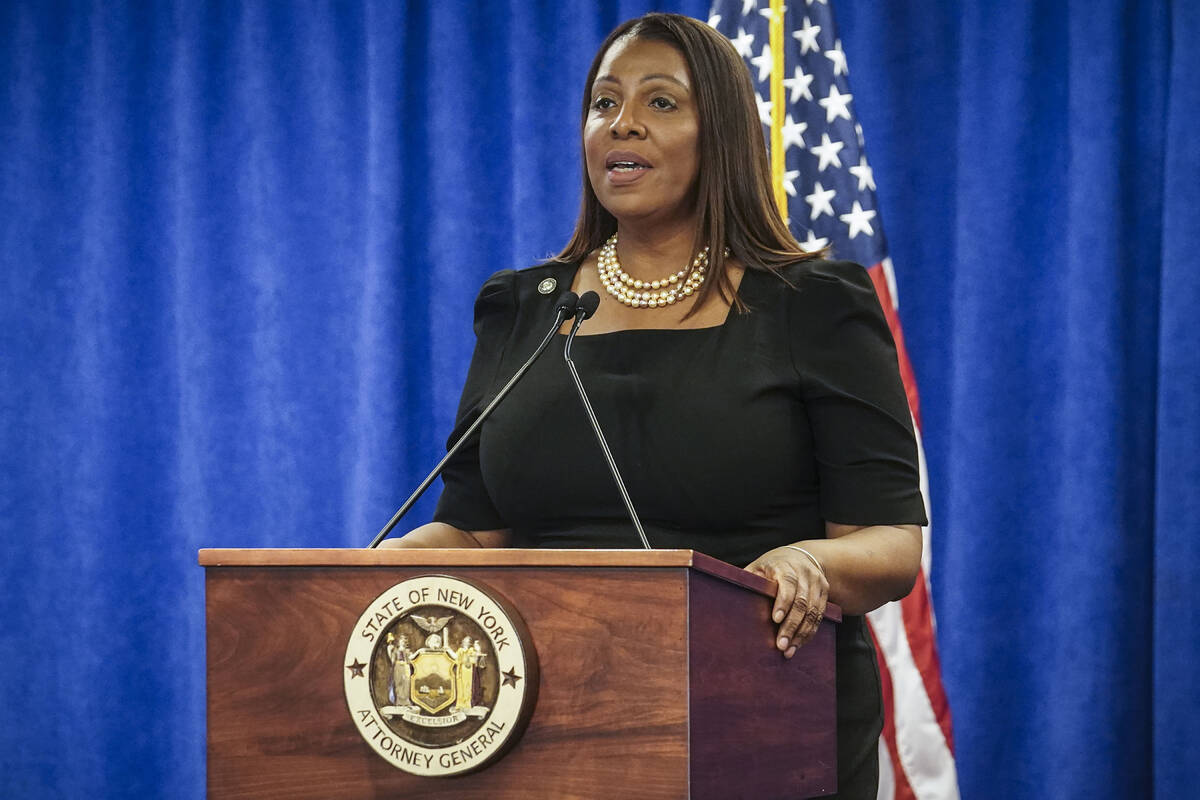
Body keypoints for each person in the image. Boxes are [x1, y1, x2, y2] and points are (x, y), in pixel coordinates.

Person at [381, 13, 925, 798]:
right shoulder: (524, 308)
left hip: (757, 713)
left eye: (661, 103)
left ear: (722, 136)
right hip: (545, 727)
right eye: (603, 103)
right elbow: (474, 527)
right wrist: (382, 567)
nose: (622, 122)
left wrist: (809, 563)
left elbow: (890, 544)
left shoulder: (811, 303)